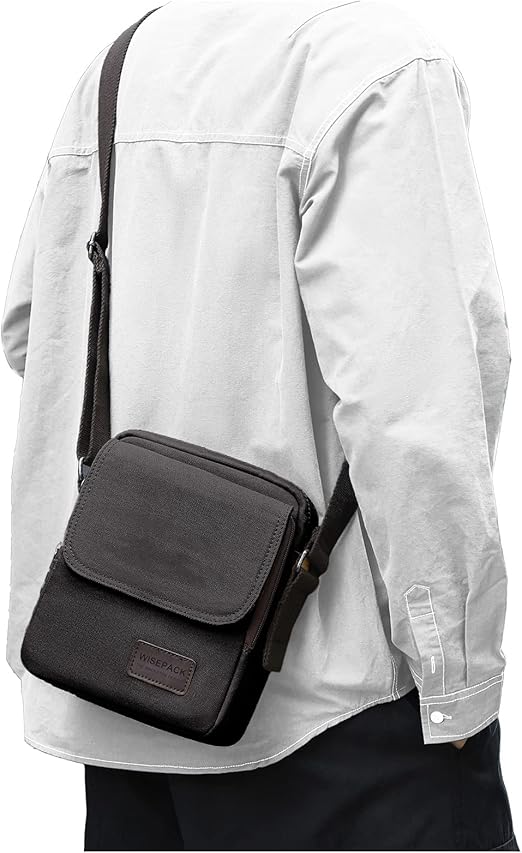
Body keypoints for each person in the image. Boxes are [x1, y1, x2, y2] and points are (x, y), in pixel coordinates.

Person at [2, 1, 517, 850]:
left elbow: (36, 331)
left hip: (117, 690)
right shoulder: (380, 66)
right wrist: (457, 680)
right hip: (329, 709)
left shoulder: (121, 63)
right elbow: (415, 418)